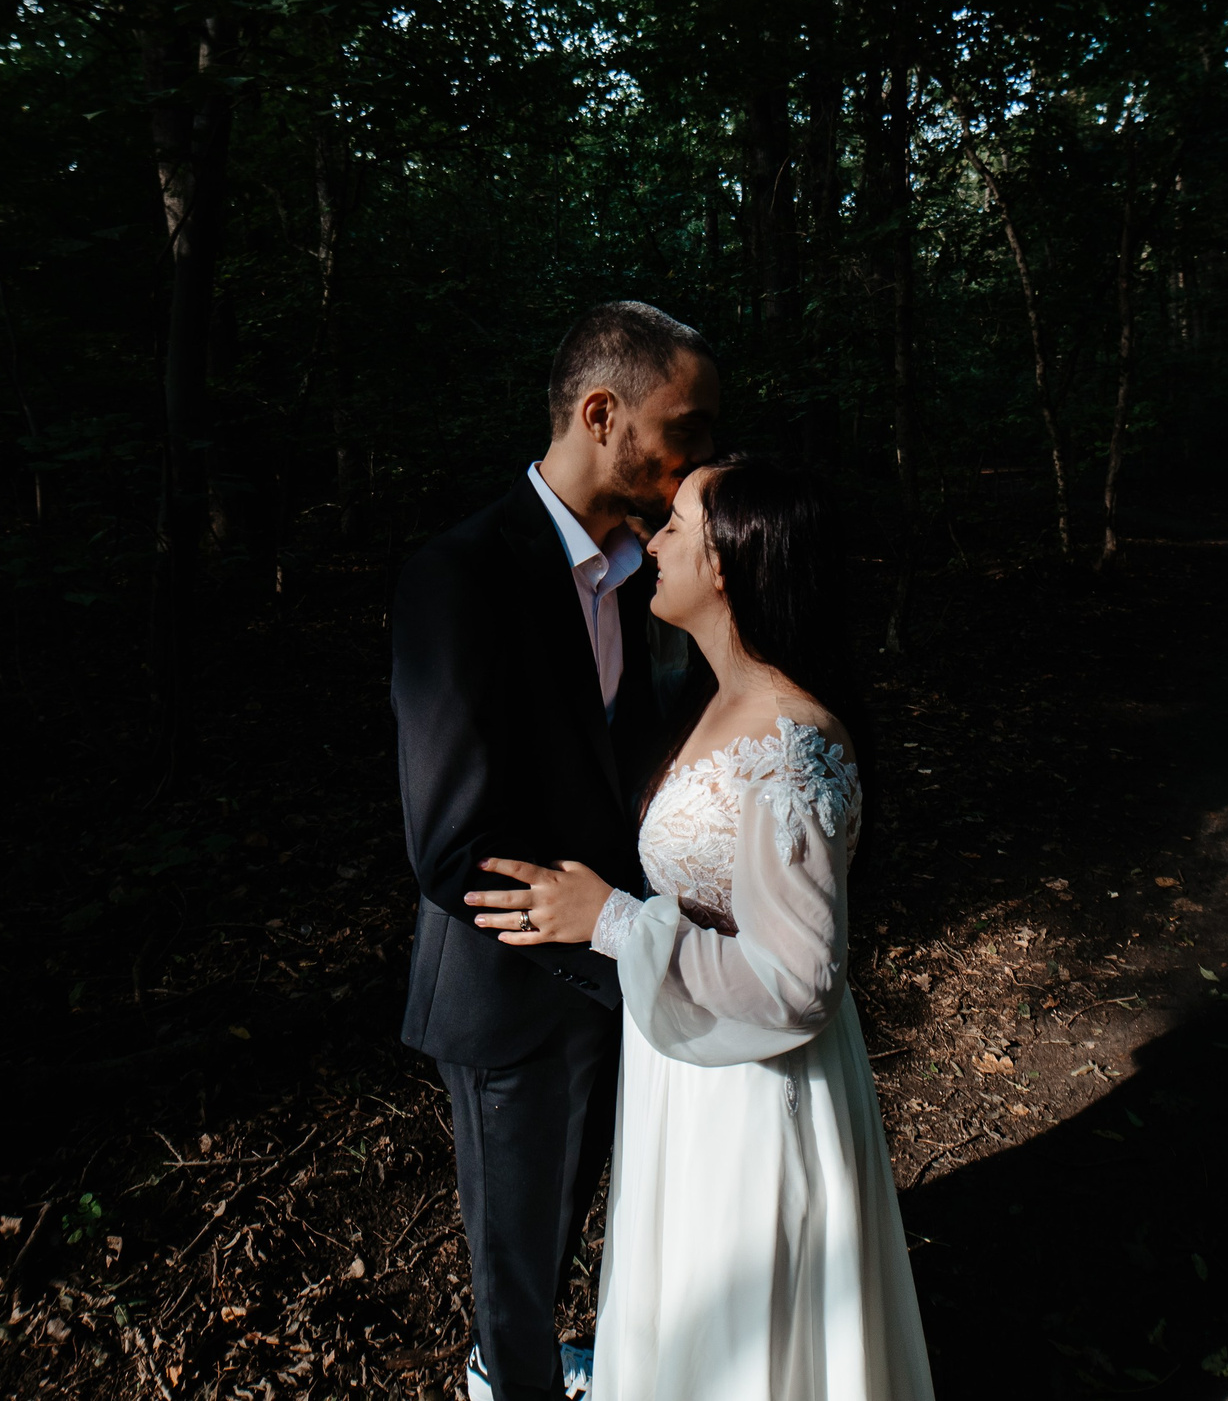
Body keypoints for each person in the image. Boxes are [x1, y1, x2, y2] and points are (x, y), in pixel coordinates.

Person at [464, 456, 935, 1401]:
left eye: (676, 524)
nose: (651, 541)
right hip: (690, 1064)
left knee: (745, 1331)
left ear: (729, 562)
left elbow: (802, 982)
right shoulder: (706, 696)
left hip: (755, 1091)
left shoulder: (792, 747)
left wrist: (612, 921)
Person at [393, 302, 721, 1401]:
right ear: (600, 413)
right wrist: (616, 950)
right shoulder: (461, 575)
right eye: (681, 428)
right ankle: (508, 1379)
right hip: (508, 990)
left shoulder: (643, 566)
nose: (694, 460)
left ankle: (534, 1359)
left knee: (575, 1209)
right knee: (515, 1250)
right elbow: (450, 842)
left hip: (607, 969)